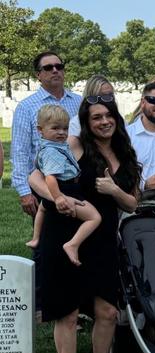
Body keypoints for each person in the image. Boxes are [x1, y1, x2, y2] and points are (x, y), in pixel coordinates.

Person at [29, 95, 140, 353]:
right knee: (67, 310)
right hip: (65, 233)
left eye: (108, 115)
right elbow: (34, 177)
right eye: (96, 117)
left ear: (115, 118)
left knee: (107, 310)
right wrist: (57, 200)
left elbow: (132, 203)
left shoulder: (126, 155)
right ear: (87, 123)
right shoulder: (75, 145)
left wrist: (114, 189)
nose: (104, 121)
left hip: (102, 238)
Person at [26, 105, 101, 267]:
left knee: (43, 208)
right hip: (66, 189)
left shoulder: (52, 146)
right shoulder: (52, 152)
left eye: (65, 128)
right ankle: (72, 244)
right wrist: (59, 197)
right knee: (94, 217)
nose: (61, 132)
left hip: (60, 188)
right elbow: (51, 178)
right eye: (55, 128)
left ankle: (36, 237)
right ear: (40, 130)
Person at [11, 51, 82, 217]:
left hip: (76, 181)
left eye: (59, 66)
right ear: (39, 75)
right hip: (44, 183)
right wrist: (24, 192)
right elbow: (20, 151)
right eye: (49, 67)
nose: (55, 70)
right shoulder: (26, 107)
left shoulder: (79, 102)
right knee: (49, 237)